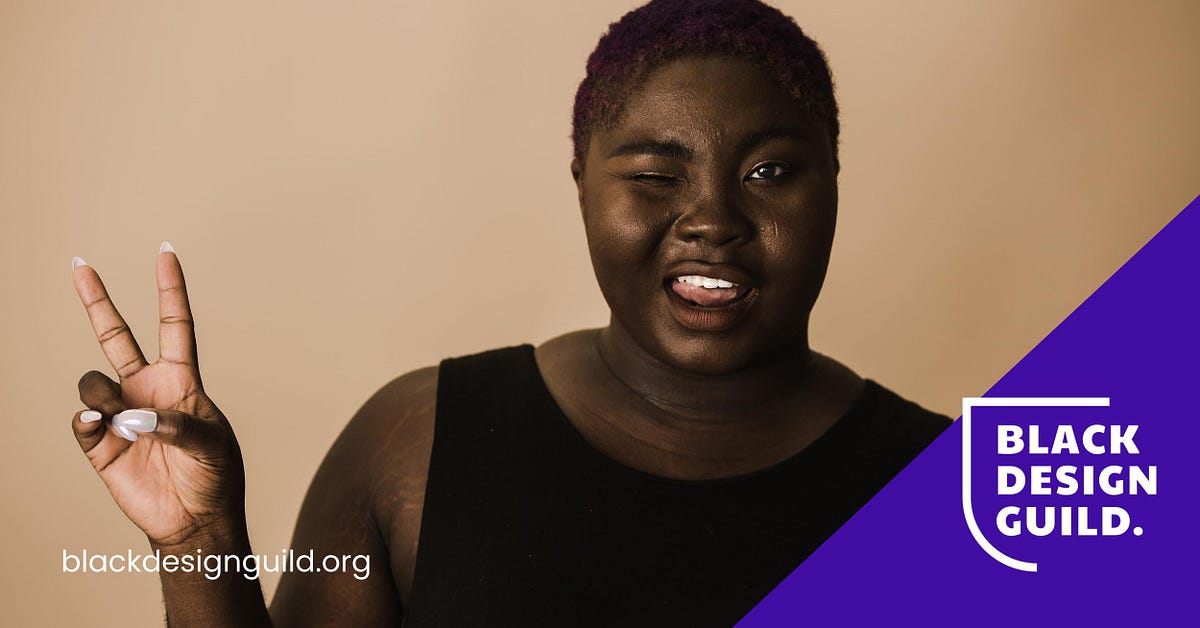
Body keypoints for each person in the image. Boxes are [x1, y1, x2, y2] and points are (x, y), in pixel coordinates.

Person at [69, 0, 950, 625]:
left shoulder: (955, 494)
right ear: (583, 187)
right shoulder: (416, 442)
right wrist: (197, 543)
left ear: (832, 183)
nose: (713, 219)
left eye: (769, 172)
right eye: (652, 176)